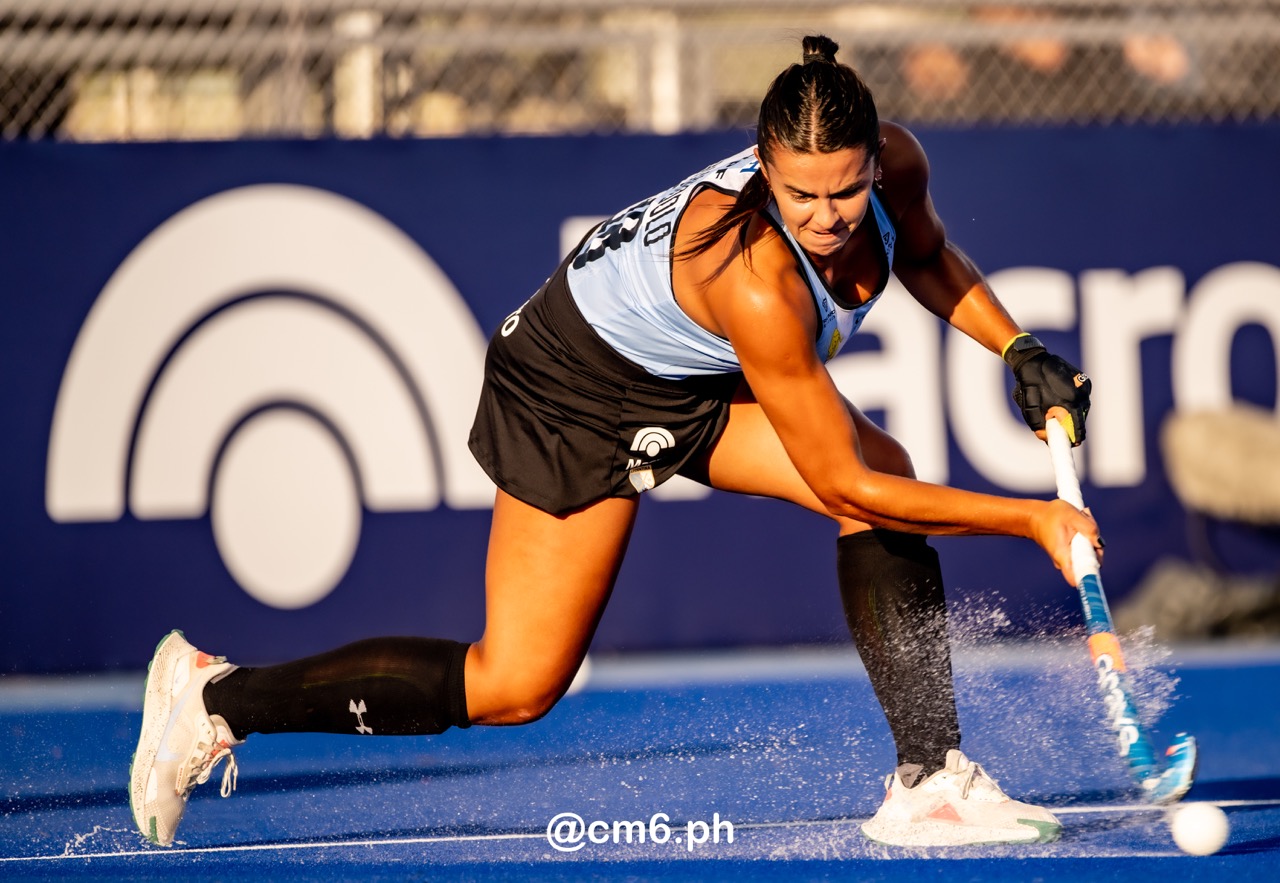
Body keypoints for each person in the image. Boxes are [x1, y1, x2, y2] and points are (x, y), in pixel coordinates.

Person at [129, 34, 1096, 849]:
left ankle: (928, 781)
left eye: (845, 192)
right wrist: (1033, 520)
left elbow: (923, 253)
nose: (826, 219)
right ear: (764, 170)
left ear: (876, 162)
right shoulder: (755, 281)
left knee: (886, 472)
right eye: (800, 196)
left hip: (682, 376)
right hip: (572, 388)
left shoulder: (897, 170)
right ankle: (219, 699)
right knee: (515, 683)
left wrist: (1016, 347)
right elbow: (840, 482)